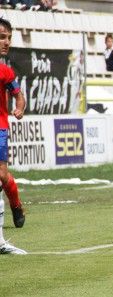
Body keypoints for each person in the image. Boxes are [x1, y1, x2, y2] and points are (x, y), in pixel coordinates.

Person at [0, 18, 27, 254]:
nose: (6, 42)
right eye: (2, 37)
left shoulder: (5, 71)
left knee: (1, 175)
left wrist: (19, 108)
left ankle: (16, 205)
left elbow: (19, 95)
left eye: (8, 37)